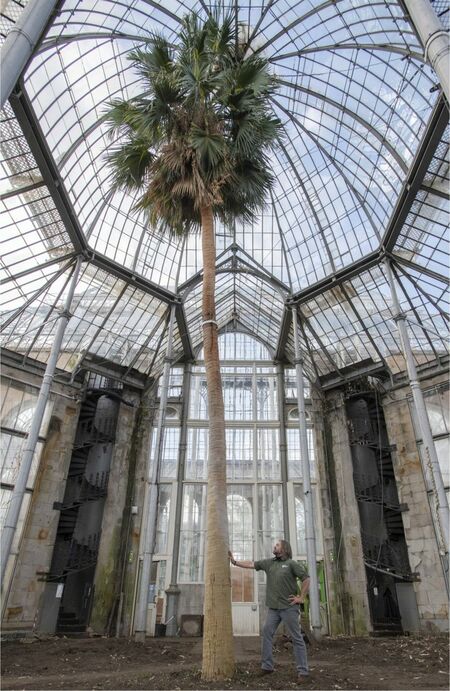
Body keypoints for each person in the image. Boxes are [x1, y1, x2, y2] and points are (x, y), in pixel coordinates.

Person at [228, 539, 310, 683]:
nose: (274, 546)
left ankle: (303, 672)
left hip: (289, 607)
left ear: (284, 549)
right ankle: (267, 666)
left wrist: (301, 597)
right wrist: (234, 562)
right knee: (267, 632)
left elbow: (306, 578)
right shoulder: (269, 563)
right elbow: (252, 564)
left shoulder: (291, 564)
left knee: (296, 638)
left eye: (277, 545)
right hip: (274, 608)